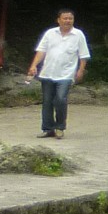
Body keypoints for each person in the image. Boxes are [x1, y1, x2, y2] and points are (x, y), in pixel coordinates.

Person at [25, 10, 89, 140]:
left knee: (60, 99)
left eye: (70, 18)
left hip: (66, 74)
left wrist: (81, 70)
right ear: (58, 20)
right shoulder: (50, 33)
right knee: (47, 101)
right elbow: (41, 51)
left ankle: (60, 127)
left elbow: (83, 55)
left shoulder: (78, 35)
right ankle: (48, 129)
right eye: (65, 18)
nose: (67, 21)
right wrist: (33, 66)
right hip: (48, 72)